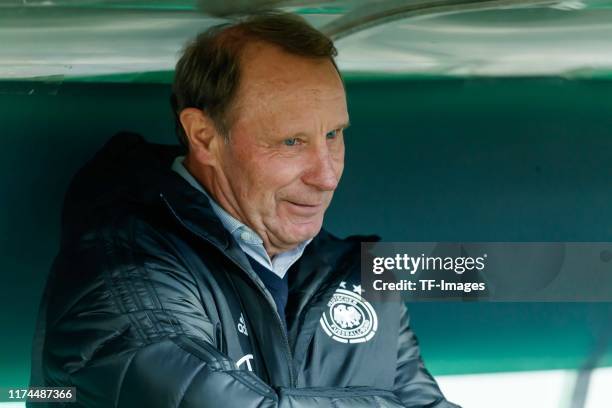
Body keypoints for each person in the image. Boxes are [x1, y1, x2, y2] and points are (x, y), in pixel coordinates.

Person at [29, 11, 459, 408]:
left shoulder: (357, 275)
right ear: (203, 137)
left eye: (333, 134)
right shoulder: (124, 265)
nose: (326, 176)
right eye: (291, 141)